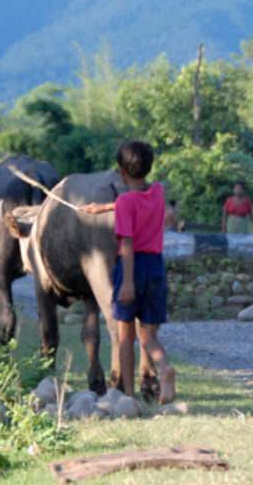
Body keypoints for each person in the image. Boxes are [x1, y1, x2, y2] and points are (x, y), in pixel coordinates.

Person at [81, 140, 176, 404]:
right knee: (149, 336)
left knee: (125, 337)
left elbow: (127, 243)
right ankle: (165, 367)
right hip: (156, 268)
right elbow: (135, 201)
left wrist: (127, 284)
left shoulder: (124, 203)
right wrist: (105, 207)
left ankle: (129, 396)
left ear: (120, 171)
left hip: (131, 269)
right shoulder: (158, 190)